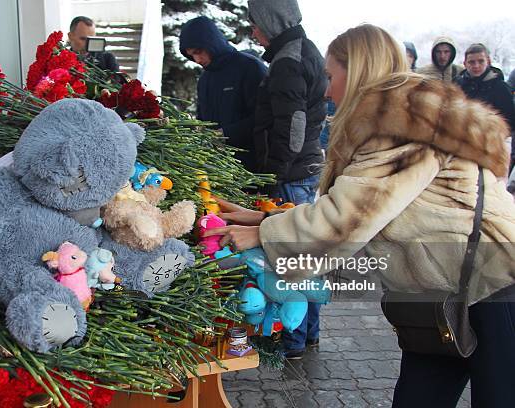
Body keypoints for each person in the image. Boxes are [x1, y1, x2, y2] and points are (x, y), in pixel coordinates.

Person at [205, 24, 515, 407]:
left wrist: (262, 236)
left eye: (331, 76)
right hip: (443, 293)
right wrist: (260, 219)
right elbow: (353, 205)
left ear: (359, 69)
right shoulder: (396, 119)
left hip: (494, 286)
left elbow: (350, 217)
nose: (326, 89)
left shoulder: (402, 124)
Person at [247, 0, 327, 359]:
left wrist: (272, 175)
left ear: (272, 21)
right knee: (306, 258)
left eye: (256, 22)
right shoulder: (304, 50)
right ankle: (308, 334)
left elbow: (292, 129)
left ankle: (290, 340)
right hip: (305, 170)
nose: (253, 31)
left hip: (291, 176)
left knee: (289, 261)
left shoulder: (287, 62)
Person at [179, 16, 267, 172]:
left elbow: (264, 117)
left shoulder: (250, 68)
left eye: (198, 52)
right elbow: (203, 119)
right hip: (216, 167)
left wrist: (225, 134)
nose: (197, 59)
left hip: (251, 167)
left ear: (211, 43)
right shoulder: (205, 79)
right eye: (191, 55)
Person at [456, 43, 515, 174]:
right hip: (460, 145)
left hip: (490, 147)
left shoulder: (500, 87)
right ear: (465, 63)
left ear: (488, 61)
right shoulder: (457, 85)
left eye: (480, 61)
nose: (476, 66)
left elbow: (510, 121)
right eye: (472, 62)